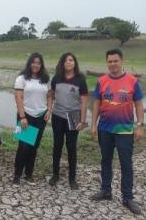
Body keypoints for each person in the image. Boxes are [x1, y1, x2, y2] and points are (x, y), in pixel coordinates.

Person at [91, 49, 144, 215]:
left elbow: (139, 105)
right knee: (106, 160)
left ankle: (127, 197)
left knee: (126, 164)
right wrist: (93, 124)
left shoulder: (132, 81)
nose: (112, 64)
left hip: (125, 130)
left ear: (121, 61)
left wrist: (140, 125)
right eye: (109, 61)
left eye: (115, 61)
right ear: (107, 63)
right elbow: (96, 104)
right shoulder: (101, 81)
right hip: (104, 129)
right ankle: (106, 190)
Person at [48, 52, 88, 190]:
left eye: (71, 60)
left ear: (75, 62)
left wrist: (82, 120)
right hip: (58, 116)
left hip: (73, 116)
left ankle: (72, 178)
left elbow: (84, 102)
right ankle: (55, 175)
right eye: (66, 60)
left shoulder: (80, 79)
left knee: (71, 147)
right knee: (57, 146)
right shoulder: (57, 78)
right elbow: (51, 95)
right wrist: (49, 109)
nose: (69, 62)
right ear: (62, 63)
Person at [13, 53, 51, 185]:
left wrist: (49, 110)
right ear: (29, 63)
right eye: (33, 62)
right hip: (25, 115)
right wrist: (22, 116)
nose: (36, 65)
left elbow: (50, 96)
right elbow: (18, 97)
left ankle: (29, 174)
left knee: (34, 147)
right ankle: (17, 174)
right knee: (23, 146)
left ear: (41, 65)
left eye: (39, 63)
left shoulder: (45, 79)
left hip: (41, 116)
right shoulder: (22, 78)